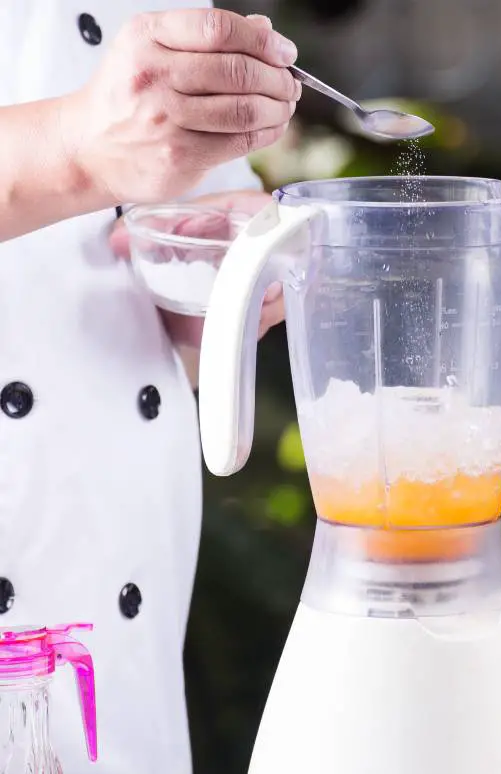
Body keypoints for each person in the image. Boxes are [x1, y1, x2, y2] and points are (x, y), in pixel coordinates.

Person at [0, 3, 299, 774]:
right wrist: (73, 146)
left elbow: (160, 269)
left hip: (127, 626)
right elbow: (92, 143)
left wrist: (214, 280)